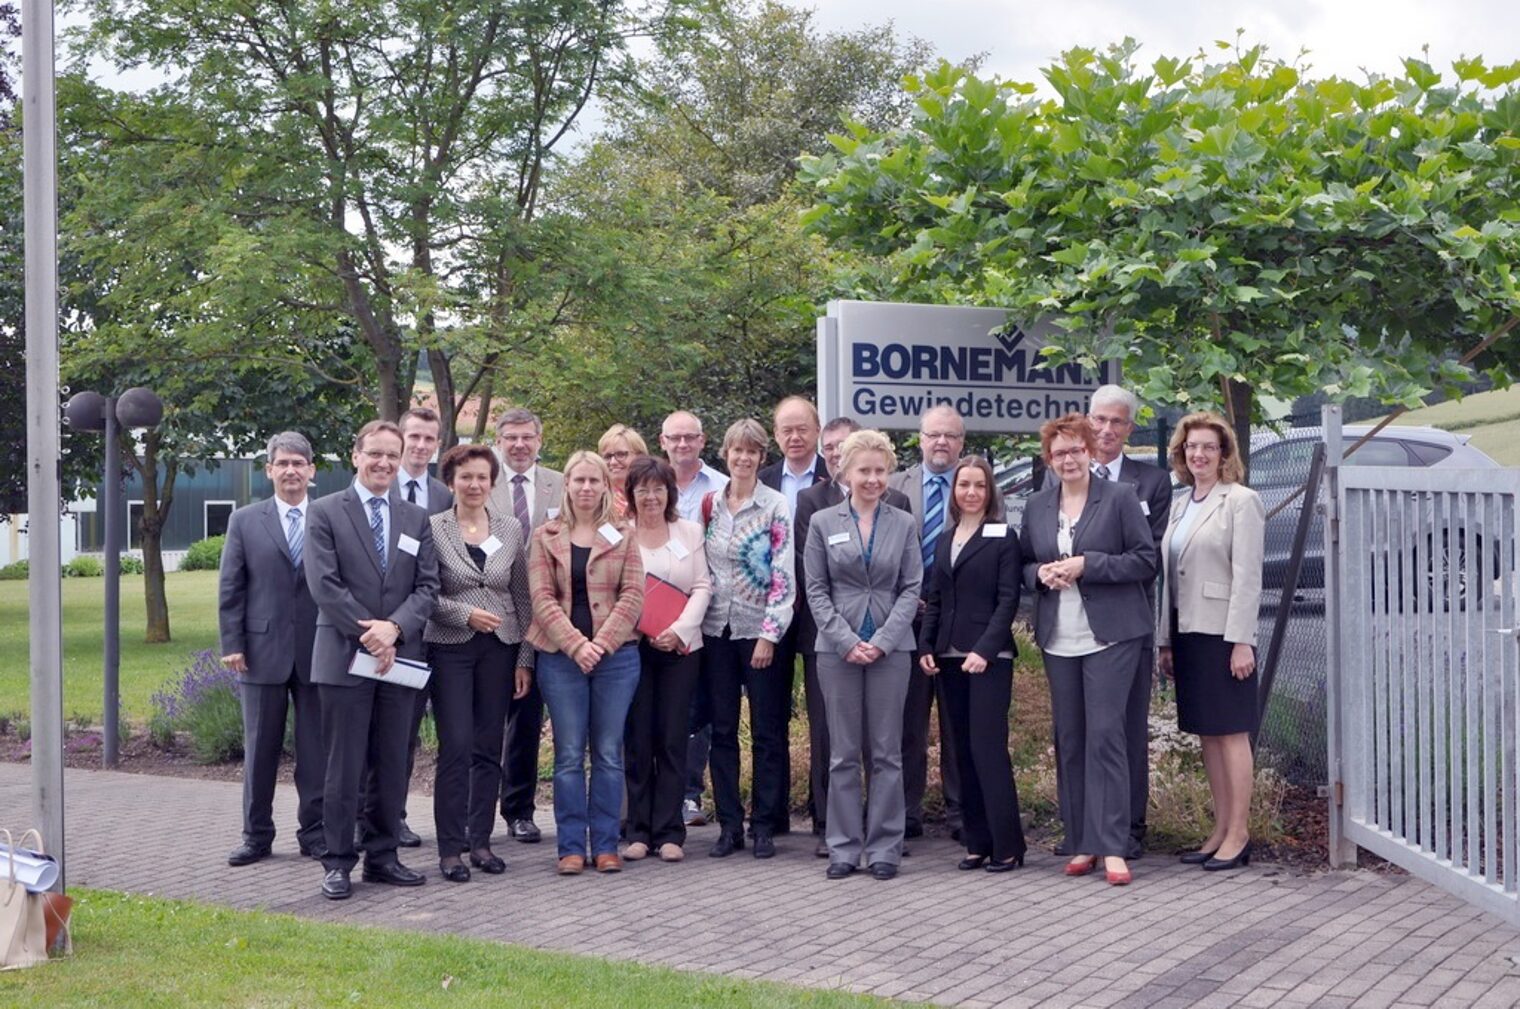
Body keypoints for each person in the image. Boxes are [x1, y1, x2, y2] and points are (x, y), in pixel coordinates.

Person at [1019, 413, 1156, 887]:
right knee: (1071, 738)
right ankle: (1080, 840)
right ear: (1049, 459)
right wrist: (1041, 574)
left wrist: (1085, 565)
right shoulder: (1036, 506)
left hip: (1112, 636)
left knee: (1105, 736)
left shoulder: (1119, 499)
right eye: (1059, 453)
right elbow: (1023, 564)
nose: (1068, 459)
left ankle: (1113, 846)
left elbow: (1145, 560)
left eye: (1076, 449)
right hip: (1060, 636)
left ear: (1090, 451)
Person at [304, 420, 440, 900]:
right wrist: (372, 633)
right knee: (344, 765)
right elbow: (324, 585)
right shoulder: (323, 512)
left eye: (392, 454)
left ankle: (383, 857)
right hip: (344, 658)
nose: (384, 462)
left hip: (399, 660)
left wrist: (396, 629)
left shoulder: (415, 518)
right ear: (356, 454)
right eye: (375, 453)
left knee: (391, 762)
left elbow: (428, 587)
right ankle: (339, 861)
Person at [804, 429, 922, 880]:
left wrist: (885, 640)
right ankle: (844, 848)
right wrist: (847, 640)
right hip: (836, 651)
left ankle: (886, 848)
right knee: (843, 754)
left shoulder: (903, 523)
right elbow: (815, 589)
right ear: (845, 472)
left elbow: (912, 586)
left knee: (888, 753)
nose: (872, 479)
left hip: (892, 650)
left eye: (880, 471)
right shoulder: (822, 523)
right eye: (864, 471)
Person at [525, 451, 644, 875]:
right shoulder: (545, 536)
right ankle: (571, 847)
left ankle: (607, 845)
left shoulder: (622, 534)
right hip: (560, 659)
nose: (587, 488)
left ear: (604, 486)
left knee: (610, 754)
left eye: (595, 481)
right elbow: (540, 599)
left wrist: (602, 643)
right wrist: (577, 645)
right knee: (570, 755)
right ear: (567, 486)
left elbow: (633, 595)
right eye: (579, 480)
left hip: (617, 660)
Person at [1157, 412, 1265, 872]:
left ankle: (1239, 833)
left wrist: (1242, 641)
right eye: (1190, 447)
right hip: (1187, 631)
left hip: (1224, 634)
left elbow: (1248, 577)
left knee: (1231, 733)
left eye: (1208, 447)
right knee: (1207, 734)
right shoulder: (1181, 503)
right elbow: (1169, 576)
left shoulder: (1241, 501)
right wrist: (1164, 640)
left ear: (1224, 454)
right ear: (1181, 454)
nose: (1198, 454)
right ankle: (1219, 829)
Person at [423, 443, 534, 882]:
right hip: (451, 647)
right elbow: (425, 594)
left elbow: (522, 596)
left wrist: (525, 656)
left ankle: (482, 842)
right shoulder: (433, 528)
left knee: (490, 748)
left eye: (482, 478)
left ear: (493, 483)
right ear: (451, 481)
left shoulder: (509, 528)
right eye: (465, 477)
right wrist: (463, 613)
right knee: (456, 748)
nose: (474, 485)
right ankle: (451, 848)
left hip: (501, 649)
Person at [219, 431, 325, 867]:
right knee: (260, 749)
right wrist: (232, 643)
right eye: (283, 463)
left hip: (320, 649)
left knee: (316, 750)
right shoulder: (245, 520)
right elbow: (232, 585)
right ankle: (256, 835)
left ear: (312, 471)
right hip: (261, 651)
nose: (291, 471)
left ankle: (314, 833)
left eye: (299, 463)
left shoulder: (327, 517)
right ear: (269, 470)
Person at [918, 456, 1027, 872]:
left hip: (989, 658)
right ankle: (977, 842)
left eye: (979, 485)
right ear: (954, 490)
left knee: (988, 750)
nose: (971, 492)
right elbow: (937, 598)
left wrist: (985, 648)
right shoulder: (946, 539)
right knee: (960, 752)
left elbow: (1008, 600)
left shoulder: (1002, 536)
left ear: (990, 491)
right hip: (948, 656)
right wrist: (927, 645)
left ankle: (1008, 846)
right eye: (964, 484)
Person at [700, 418, 796, 859]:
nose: (743, 458)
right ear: (727, 454)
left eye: (752, 452)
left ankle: (763, 825)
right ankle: (729, 825)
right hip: (715, 631)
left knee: (767, 731)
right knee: (721, 731)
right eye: (737, 451)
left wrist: (769, 635)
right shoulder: (709, 506)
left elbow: (782, 576)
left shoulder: (775, 506)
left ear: (761, 457)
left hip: (758, 632)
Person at [1087, 384, 1173, 859]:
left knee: (1127, 728)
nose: (1106, 430)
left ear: (1130, 428)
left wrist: (1089, 563)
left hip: (1128, 625)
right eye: (1100, 419)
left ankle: (1130, 828)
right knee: (1082, 731)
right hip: (1072, 625)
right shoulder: (1063, 475)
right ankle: (1085, 828)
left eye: (1117, 422)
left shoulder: (1152, 483)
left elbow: (1150, 556)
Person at [624, 456, 711, 863]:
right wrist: (642, 628)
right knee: (639, 739)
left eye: (658, 488)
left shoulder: (690, 531)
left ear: (670, 493)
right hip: (632, 647)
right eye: (643, 489)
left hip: (679, 649)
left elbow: (702, 586)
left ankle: (671, 832)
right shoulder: (619, 534)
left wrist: (678, 630)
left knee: (673, 739)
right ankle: (639, 830)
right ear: (631, 494)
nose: (651, 496)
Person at [888, 404, 964, 839]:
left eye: (950, 436)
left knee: (956, 723)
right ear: (920, 438)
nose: (941, 443)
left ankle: (959, 812)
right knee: (906, 723)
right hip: (907, 620)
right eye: (934, 434)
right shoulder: (895, 486)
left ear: (961, 443)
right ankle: (906, 812)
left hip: (955, 623)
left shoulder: (976, 487)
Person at [489, 407, 564, 845]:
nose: (519, 445)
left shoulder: (559, 483)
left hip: (543, 619)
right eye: (511, 437)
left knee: (526, 720)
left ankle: (519, 810)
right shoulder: (479, 479)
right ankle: (473, 809)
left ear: (539, 439)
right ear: (499, 441)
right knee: (481, 722)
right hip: (492, 615)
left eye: (527, 437)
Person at [384, 406, 453, 849]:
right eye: (415, 437)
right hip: (385, 633)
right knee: (376, 734)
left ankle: (397, 816)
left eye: (430, 439)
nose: (422, 446)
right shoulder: (375, 483)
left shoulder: (444, 497)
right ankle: (367, 816)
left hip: (435, 635)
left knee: (405, 735)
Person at [660, 409, 727, 827]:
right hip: (655, 615)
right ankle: (661, 792)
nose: (682, 444)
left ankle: (690, 795)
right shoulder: (649, 483)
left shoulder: (721, 488)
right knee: (663, 707)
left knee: (699, 709)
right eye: (675, 438)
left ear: (703, 441)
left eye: (690, 437)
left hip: (707, 611)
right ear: (662, 441)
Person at [599, 423, 648, 518]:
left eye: (621, 454)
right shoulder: (597, 500)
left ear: (640, 457)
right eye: (607, 457)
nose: (613, 462)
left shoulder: (654, 495)